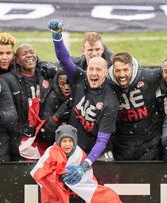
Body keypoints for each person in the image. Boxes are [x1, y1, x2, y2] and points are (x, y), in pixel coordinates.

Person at [49, 19, 119, 181]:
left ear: (106, 73)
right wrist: (56, 36)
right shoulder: (80, 77)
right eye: (91, 69)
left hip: (97, 155)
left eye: (98, 70)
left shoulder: (111, 101)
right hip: (73, 149)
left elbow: (102, 140)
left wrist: (86, 164)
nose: (94, 73)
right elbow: (63, 57)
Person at [31, 124, 122, 203]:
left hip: (76, 196)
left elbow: (88, 177)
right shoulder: (50, 152)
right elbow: (39, 173)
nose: (67, 144)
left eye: (70, 141)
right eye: (64, 141)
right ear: (59, 142)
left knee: (109, 197)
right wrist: (59, 177)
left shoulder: (79, 154)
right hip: (56, 196)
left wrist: (79, 173)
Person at [1, 43, 57, 160]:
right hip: (20, 138)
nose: (29, 55)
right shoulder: (7, 80)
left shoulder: (46, 75)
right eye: (24, 54)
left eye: (32, 52)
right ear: (17, 60)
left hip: (44, 135)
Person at [109, 52, 163, 160]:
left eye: (125, 70)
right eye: (118, 70)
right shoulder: (107, 83)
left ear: (132, 68)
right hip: (122, 145)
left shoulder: (148, 77)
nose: (122, 74)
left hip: (149, 142)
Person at [38, 68, 71, 145]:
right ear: (57, 84)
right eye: (62, 84)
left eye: (69, 83)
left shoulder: (78, 95)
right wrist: (57, 116)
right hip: (54, 142)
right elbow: (44, 132)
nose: (66, 87)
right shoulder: (52, 98)